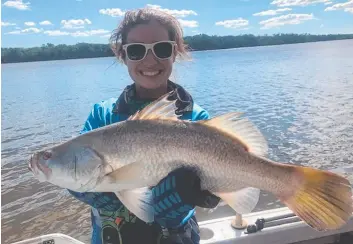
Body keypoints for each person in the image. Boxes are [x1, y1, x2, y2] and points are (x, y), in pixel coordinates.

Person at [68, 7, 220, 244]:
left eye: (161, 48)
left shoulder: (197, 119)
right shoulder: (101, 115)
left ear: (175, 52)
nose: (150, 60)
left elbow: (216, 184)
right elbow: (75, 163)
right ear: (123, 56)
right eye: (136, 50)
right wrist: (76, 181)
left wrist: (202, 194)